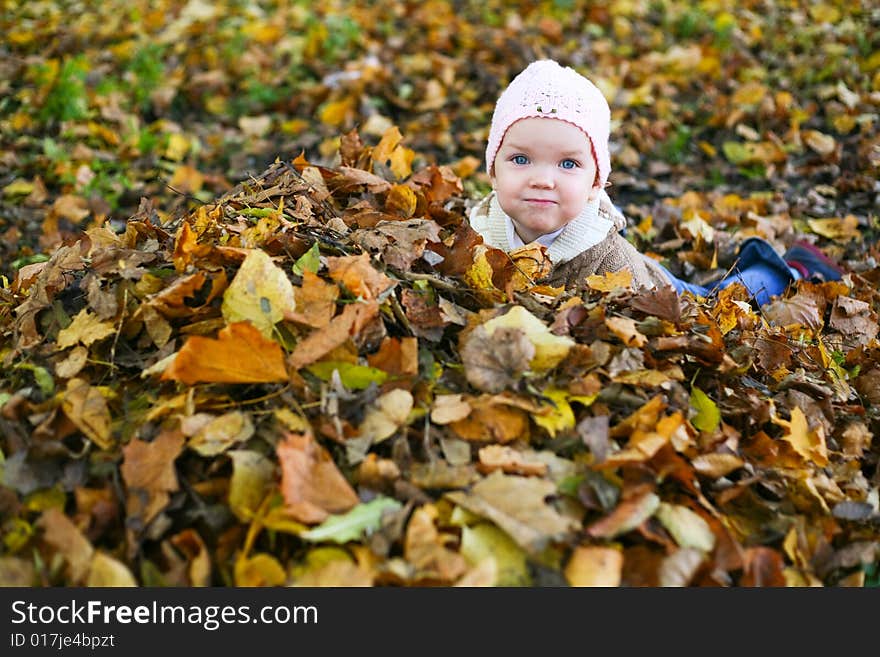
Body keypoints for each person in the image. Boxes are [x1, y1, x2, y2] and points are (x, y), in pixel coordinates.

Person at [468, 59, 843, 306]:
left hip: (660, 294)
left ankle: (792, 271)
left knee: (718, 300)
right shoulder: (480, 228)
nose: (542, 180)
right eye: (520, 159)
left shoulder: (608, 262)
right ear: (493, 170)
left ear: (597, 182)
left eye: (568, 163)